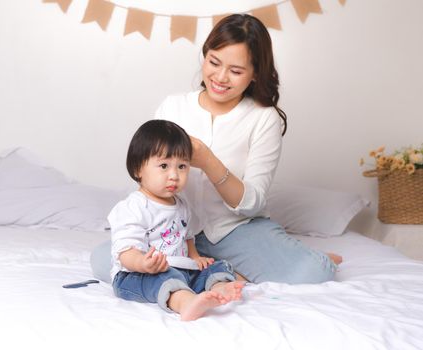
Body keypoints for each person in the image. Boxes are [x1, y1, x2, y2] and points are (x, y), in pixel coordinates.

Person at [154, 13, 342, 284]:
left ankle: (218, 268)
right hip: (173, 227)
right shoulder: (173, 107)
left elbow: (252, 202)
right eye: (213, 62)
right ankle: (220, 270)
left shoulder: (263, 118)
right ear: (205, 56)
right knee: (107, 261)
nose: (220, 77)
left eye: (236, 71)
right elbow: (144, 171)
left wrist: (208, 160)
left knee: (315, 272)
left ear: (255, 74)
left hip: (235, 229)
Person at [108, 119, 244, 321]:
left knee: (216, 266)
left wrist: (195, 256)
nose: (174, 175)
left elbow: (186, 235)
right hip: (137, 275)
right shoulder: (133, 207)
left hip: (180, 269)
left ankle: (219, 287)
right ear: (138, 169)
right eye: (164, 165)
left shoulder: (180, 204)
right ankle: (186, 303)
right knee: (165, 279)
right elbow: (125, 251)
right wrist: (142, 264)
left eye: (182, 166)